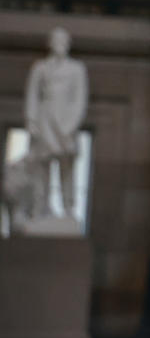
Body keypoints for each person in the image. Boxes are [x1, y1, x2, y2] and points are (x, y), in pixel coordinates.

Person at [24, 26, 88, 222]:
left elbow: (80, 100)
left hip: (66, 124)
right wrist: (31, 120)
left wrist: (70, 126)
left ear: (68, 44)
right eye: (56, 40)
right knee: (41, 167)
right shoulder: (40, 68)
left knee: (66, 169)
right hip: (45, 121)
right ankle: (39, 206)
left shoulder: (77, 69)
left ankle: (68, 207)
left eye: (63, 40)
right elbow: (32, 96)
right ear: (50, 43)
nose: (59, 44)